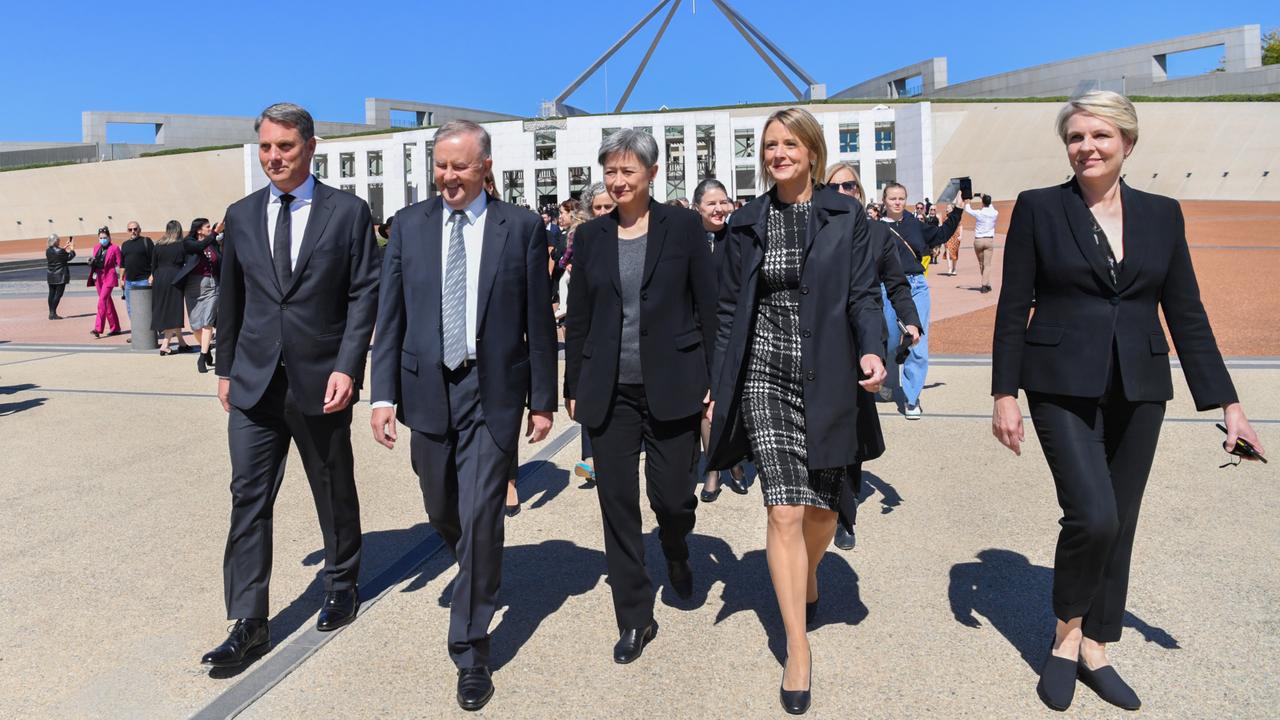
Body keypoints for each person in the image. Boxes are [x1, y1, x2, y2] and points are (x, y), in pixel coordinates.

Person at [991, 91, 1265, 712]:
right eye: (1075, 137)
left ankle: (1097, 647)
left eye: (1099, 136)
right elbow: (1013, 307)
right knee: (1094, 515)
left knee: (1124, 521)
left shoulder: (1163, 215)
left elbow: (1187, 314)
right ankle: (1064, 639)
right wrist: (1003, 392)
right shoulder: (1039, 208)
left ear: (1128, 144)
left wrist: (1230, 406)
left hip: (1141, 386)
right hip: (1058, 382)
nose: (1086, 147)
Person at [370, 119, 556, 712]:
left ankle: (471, 645)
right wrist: (382, 396)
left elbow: (538, 321)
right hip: (426, 389)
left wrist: (543, 400)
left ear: (485, 167)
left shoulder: (520, 228)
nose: (447, 177)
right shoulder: (409, 226)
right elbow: (390, 315)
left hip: (492, 388)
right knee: (441, 505)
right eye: (440, 165)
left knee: (480, 513)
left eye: (459, 166)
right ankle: (474, 562)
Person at [706, 108, 886, 715]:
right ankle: (797, 646)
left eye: (789, 144)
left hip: (831, 374)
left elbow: (864, 293)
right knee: (783, 508)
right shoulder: (748, 223)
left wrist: (871, 348)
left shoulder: (845, 214)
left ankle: (809, 574)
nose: (778, 153)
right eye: (770, 145)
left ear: (812, 152)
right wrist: (717, 382)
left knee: (822, 511)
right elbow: (730, 309)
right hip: (765, 373)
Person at [202, 103, 379, 668]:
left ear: (311, 146)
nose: (274, 158)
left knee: (332, 485)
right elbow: (232, 298)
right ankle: (249, 619)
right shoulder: (242, 214)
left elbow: (363, 295)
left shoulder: (348, 212)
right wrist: (225, 368)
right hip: (254, 384)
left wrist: (349, 366)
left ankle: (341, 581)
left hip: (320, 377)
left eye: (285, 147)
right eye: (266, 148)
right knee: (247, 497)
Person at [564, 128, 715, 667]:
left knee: (671, 498)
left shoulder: (684, 228)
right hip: (610, 389)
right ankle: (634, 615)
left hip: (675, 385)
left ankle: (676, 546)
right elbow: (579, 314)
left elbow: (709, 306)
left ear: (652, 174)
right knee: (617, 504)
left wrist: (714, 384)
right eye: (611, 171)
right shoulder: (592, 237)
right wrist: (573, 386)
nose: (618, 181)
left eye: (629, 171)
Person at [824, 162, 920, 552]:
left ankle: (845, 515)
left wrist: (910, 321)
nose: (843, 191)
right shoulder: (816, 232)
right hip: (821, 342)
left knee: (853, 425)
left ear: (861, 192)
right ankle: (823, 501)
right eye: (833, 187)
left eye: (849, 185)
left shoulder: (879, 234)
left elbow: (896, 284)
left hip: (863, 342)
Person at [879, 183, 963, 418]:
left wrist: (957, 210)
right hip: (886, 287)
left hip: (915, 285)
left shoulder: (914, 224)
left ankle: (912, 398)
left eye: (901, 198)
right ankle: (887, 380)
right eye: (892, 198)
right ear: (884, 201)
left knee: (917, 341)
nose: (897, 202)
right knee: (889, 338)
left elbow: (940, 235)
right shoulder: (875, 228)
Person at [691, 177, 747, 503]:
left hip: (731, 329)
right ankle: (713, 468)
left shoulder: (737, 238)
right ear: (698, 206)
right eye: (711, 203)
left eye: (723, 201)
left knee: (731, 399)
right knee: (704, 402)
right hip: (698, 332)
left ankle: (735, 460)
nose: (718, 208)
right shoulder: (688, 240)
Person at [566, 181, 616, 487]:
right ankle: (591, 459)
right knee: (590, 394)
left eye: (607, 207)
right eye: (597, 207)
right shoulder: (583, 239)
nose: (602, 212)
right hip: (593, 333)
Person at [176, 218, 222, 372]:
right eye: (207, 227)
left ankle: (202, 356)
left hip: (212, 285)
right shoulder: (189, 242)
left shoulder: (213, 243)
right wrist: (215, 232)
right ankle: (207, 348)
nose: (210, 229)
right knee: (196, 325)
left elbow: (220, 260)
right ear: (199, 230)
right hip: (193, 286)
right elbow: (199, 246)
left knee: (207, 321)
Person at [151, 220, 192, 355]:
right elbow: (187, 263)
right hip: (175, 277)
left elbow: (153, 265)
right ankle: (165, 344)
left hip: (159, 277)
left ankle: (182, 342)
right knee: (174, 310)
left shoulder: (158, 245)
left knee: (166, 308)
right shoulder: (181, 245)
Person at [87, 226, 123, 338]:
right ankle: (115, 327)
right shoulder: (96, 247)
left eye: (105, 237)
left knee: (102, 301)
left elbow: (121, 264)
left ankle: (98, 328)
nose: (103, 239)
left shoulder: (115, 248)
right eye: (101, 237)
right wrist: (91, 262)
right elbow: (96, 260)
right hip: (98, 277)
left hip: (109, 277)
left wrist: (123, 278)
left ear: (109, 237)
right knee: (107, 302)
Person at [118, 221, 154, 319]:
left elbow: (155, 260)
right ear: (127, 231)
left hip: (144, 281)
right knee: (130, 308)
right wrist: (121, 279)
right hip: (129, 282)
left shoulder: (146, 241)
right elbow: (122, 264)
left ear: (139, 230)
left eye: (135, 229)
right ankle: (136, 331)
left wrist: (152, 275)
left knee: (146, 308)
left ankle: (149, 332)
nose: (133, 231)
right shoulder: (125, 245)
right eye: (130, 229)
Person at [964, 193, 999, 292]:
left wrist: (968, 201)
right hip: (989, 240)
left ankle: (987, 283)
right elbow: (989, 205)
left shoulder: (979, 213)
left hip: (978, 240)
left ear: (982, 203)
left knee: (981, 263)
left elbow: (968, 209)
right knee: (987, 264)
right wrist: (983, 197)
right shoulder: (995, 213)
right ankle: (985, 284)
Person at [45, 233, 75, 320]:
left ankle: (51, 312)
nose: (59, 241)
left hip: (51, 274)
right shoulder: (60, 251)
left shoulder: (48, 250)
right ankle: (53, 313)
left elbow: (58, 254)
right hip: (60, 275)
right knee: (58, 294)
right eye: (58, 240)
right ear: (55, 241)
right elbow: (69, 257)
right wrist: (72, 249)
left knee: (51, 293)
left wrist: (64, 248)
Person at [936, 203, 962, 277]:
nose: (947, 209)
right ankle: (949, 268)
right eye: (947, 207)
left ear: (952, 209)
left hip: (955, 236)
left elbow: (960, 225)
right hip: (948, 236)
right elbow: (941, 226)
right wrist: (939, 219)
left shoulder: (955, 217)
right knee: (947, 251)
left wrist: (961, 235)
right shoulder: (945, 217)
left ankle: (954, 268)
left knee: (954, 252)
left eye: (948, 207)